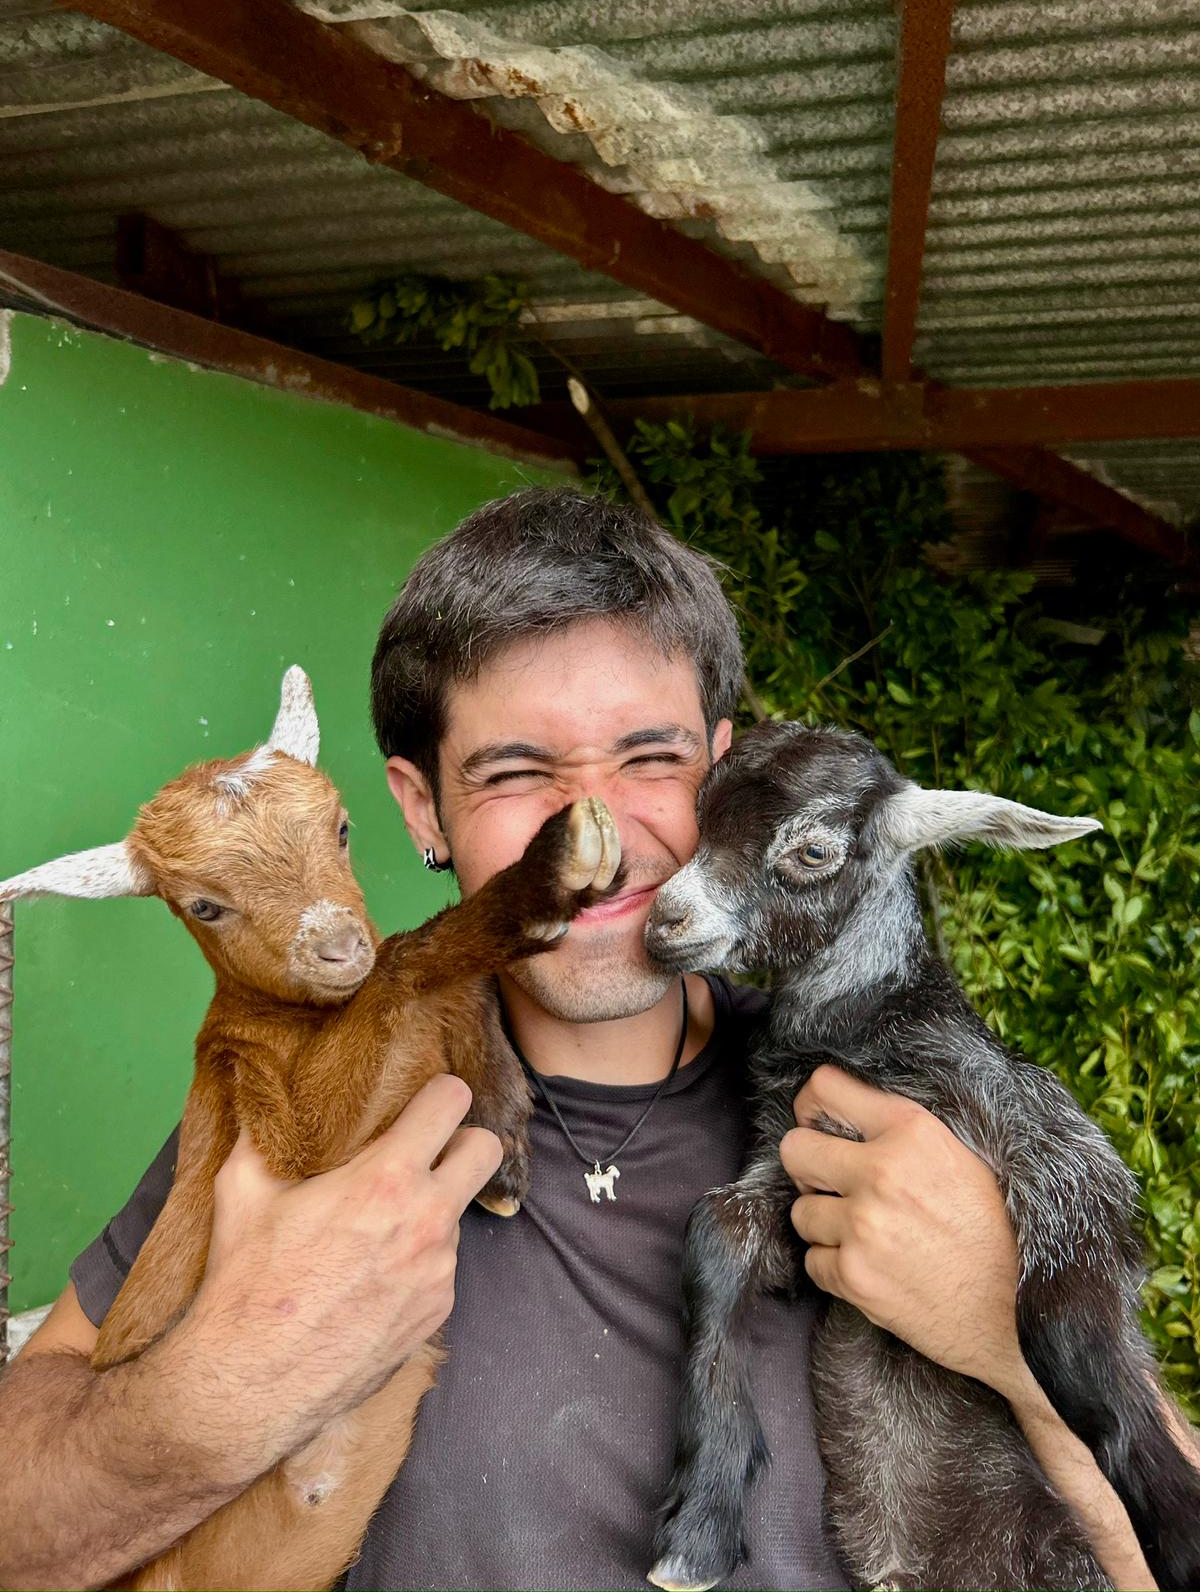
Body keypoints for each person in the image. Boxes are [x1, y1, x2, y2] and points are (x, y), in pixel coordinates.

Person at [0, 488, 1186, 1591]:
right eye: (519, 771)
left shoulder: (896, 1106)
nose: (599, 832)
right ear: (422, 811)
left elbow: (1160, 1540)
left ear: (724, 776)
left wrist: (1007, 1338)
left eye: (651, 758)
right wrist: (228, 1380)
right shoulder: (321, 1098)